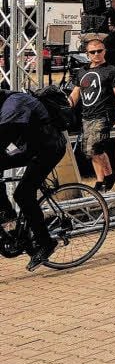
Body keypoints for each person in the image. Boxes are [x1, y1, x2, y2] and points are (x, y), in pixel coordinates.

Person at [0, 90, 68, 270]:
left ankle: (46, 243)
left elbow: (4, 138)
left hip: (49, 148)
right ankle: (9, 219)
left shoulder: (13, 105)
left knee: (23, 195)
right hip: (30, 147)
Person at [68, 37, 115, 192]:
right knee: (89, 151)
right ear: (87, 54)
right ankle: (101, 180)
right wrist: (66, 107)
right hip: (87, 115)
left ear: (105, 51)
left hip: (103, 115)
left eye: (99, 51)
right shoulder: (82, 71)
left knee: (96, 148)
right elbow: (75, 93)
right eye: (93, 52)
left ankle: (109, 176)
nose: (96, 54)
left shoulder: (111, 71)